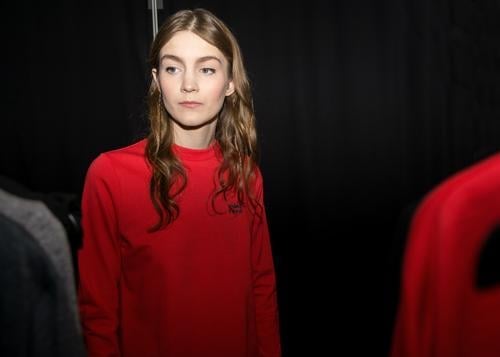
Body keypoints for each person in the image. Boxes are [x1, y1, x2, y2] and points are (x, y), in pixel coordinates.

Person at [77, 8, 281, 357]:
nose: (189, 84)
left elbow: (261, 289)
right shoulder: (109, 175)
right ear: (157, 80)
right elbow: (96, 311)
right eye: (173, 68)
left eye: (206, 68)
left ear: (230, 82)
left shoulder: (247, 174)